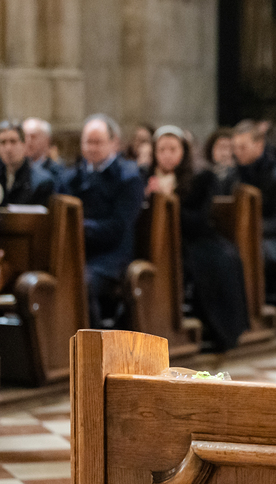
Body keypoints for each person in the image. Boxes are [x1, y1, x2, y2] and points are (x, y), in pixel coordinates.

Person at [147, 126, 249, 350]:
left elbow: (199, 221)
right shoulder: (144, 177)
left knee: (218, 261)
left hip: (195, 239)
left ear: (183, 151)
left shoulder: (202, 178)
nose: (167, 155)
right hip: (155, 244)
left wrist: (169, 199)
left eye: (172, 149)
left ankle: (216, 330)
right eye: (161, 149)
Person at [61, 114, 145, 327]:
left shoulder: (128, 177)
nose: (92, 148)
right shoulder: (71, 177)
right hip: (76, 253)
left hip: (112, 257)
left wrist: (78, 228)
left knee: (80, 284)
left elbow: (118, 227)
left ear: (114, 142)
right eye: (87, 142)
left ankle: (93, 341)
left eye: (97, 142)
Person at [230, 119, 276, 292]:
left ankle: (254, 300)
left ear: (259, 145)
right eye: (235, 147)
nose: (237, 152)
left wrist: (252, 228)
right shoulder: (233, 175)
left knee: (248, 250)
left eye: (242, 147)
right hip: (241, 234)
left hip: (275, 238)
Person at [0, 121, 55, 206]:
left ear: (24, 144)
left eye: (13, 141)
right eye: (3, 142)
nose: (8, 149)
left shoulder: (42, 182)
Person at [205, 128, 236, 194]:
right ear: (211, 148)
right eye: (221, 147)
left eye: (230, 148)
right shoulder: (203, 175)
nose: (225, 153)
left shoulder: (241, 175)